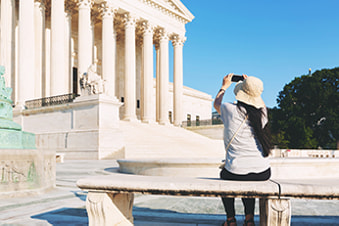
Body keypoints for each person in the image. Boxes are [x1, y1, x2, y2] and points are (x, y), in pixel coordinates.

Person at [213, 73, 272, 226]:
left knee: (227, 175)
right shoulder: (263, 114)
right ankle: (249, 219)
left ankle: (231, 220)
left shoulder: (229, 109)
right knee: (249, 177)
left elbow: (216, 103)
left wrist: (224, 86)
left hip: (235, 171)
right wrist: (252, 87)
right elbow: (262, 105)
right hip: (263, 172)